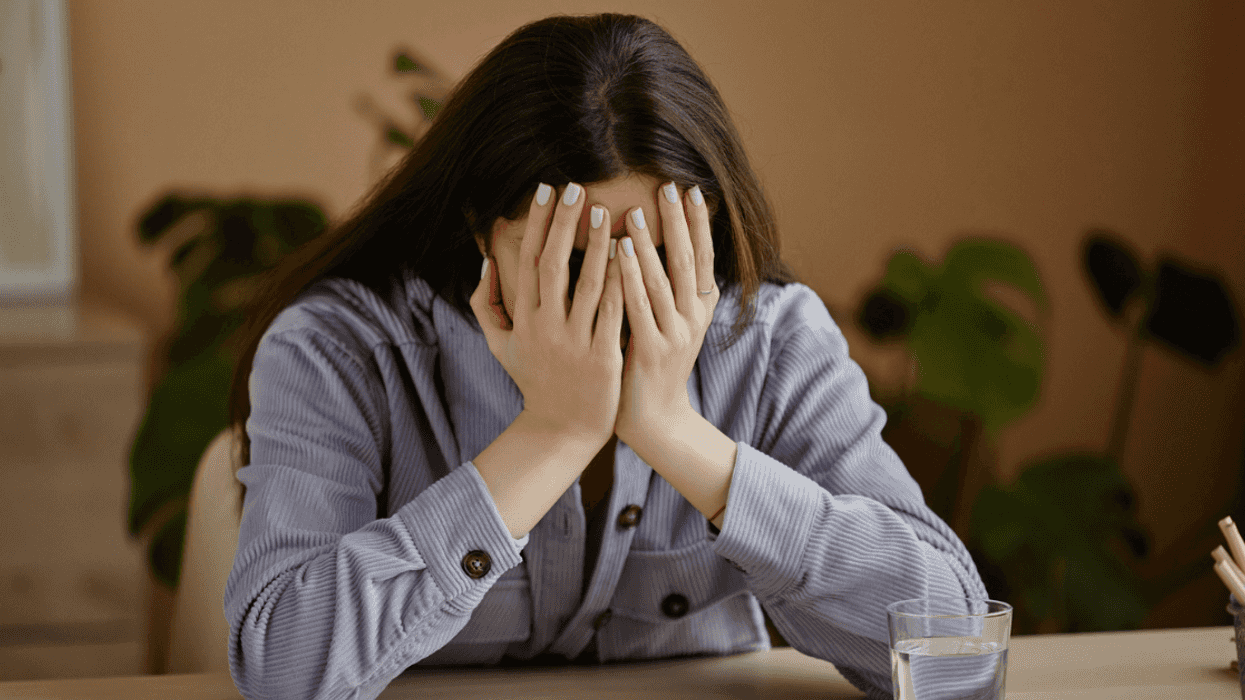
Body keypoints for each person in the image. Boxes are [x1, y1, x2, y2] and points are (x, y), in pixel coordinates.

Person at [222, 12, 988, 700]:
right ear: (479, 229)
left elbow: (955, 655)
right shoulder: (339, 349)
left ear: (708, 231)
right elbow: (283, 672)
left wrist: (678, 437)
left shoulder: (772, 341)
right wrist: (550, 437)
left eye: (656, 254)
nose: (615, 296)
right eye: (569, 258)